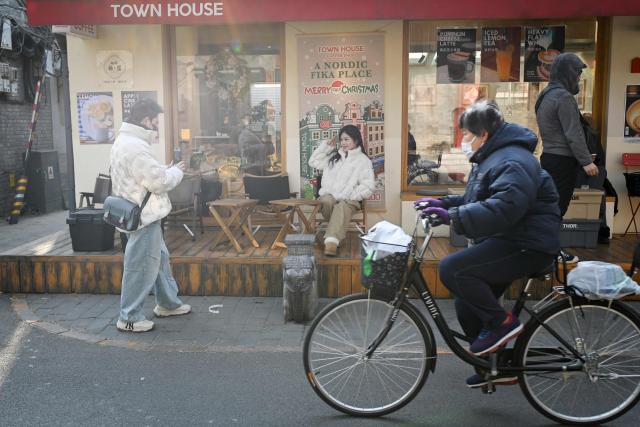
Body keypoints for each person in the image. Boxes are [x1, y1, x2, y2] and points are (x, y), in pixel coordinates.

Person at [416, 101, 561, 388]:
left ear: (483, 134)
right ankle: (495, 368)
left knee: (453, 268)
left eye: (467, 135)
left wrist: (452, 216)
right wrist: (444, 203)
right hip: (511, 237)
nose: (464, 141)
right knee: (467, 306)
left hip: (528, 243)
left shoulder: (512, 160)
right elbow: (481, 198)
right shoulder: (495, 156)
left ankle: (502, 323)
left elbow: (505, 207)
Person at [110, 99, 191, 332]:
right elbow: (159, 182)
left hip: (137, 212)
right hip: (144, 217)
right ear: (146, 120)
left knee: (159, 259)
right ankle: (129, 317)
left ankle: (168, 303)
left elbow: (140, 177)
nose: (156, 127)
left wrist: (164, 169)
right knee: (141, 265)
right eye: (155, 122)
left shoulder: (124, 141)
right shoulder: (136, 147)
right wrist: (175, 172)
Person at [536, 53, 598, 263]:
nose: (579, 78)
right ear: (567, 73)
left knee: (550, 207)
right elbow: (573, 133)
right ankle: (551, 252)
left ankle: (547, 249)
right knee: (557, 209)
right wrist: (587, 161)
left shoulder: (545, 95)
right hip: (563, 162)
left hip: (549, 158)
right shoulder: (563, 97)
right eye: (577, 73)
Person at [308, 124, 375, 256]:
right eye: (342, 139)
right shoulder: (334, 157)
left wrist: (350, 195)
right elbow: (313, 161)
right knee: (326, 201)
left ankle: (331, 242)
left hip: (350, 199)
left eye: (347, 139)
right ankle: (338, 234)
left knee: (342, 207)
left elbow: (368, 186)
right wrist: (327, 146)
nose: (343, 143)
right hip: (330, 196)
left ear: (356, 140)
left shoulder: (363, 160)